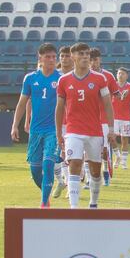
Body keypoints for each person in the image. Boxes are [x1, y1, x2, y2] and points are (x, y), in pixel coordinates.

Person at [55, 42, 117, 209]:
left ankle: (93, 203)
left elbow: (108, 105)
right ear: (73, 56)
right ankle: (73, 208)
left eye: (87, 54)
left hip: (94, 132)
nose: (85, 57)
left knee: (95, 171)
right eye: (81, 54)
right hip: (73, 131)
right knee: (74, 164)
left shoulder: (100, 79)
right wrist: (59, 133)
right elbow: (59, 108)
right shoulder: (63, 80)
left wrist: (111, 130)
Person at [10, 43, 62, 208]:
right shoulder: (30, 78)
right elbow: (22, 103)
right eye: (48, 57)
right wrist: (15, 125)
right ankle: (46, 194)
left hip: (54, 130)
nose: (52, 60)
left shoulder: (61, 78)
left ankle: (44, 204)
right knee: (35, 169)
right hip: (35, 130)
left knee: (48, 164)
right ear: (40, 58)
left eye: (54, 57)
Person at [89, 48, 119, 187]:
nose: (93, 63)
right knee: (89, 150)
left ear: (100, 59)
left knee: (105, 150)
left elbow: (116, 93)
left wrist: (121, 95)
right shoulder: (85, 76)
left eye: (95, 59)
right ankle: (90, 179)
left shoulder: (108, 76)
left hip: (105, 119)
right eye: (90, 60)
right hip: (89, 118)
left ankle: (106, 173)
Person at [52, 45, 74, 198]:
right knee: (52, 155)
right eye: (62, 56)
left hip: (72, 121)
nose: (64, 59)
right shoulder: (54, 76)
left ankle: (69, 183)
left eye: (67, 56)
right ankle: (61, 180)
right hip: (54, 121)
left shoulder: (76, 75)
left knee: (67, 154)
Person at [112, 67, 130, 170]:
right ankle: (118, 156)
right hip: (113, 117)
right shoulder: (112, 85)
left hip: (125, 117)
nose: (120, 75)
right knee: (111, 138)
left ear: (127, 76)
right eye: (119, 73)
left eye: (123, 73)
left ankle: (124, 162)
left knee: (125, 140)